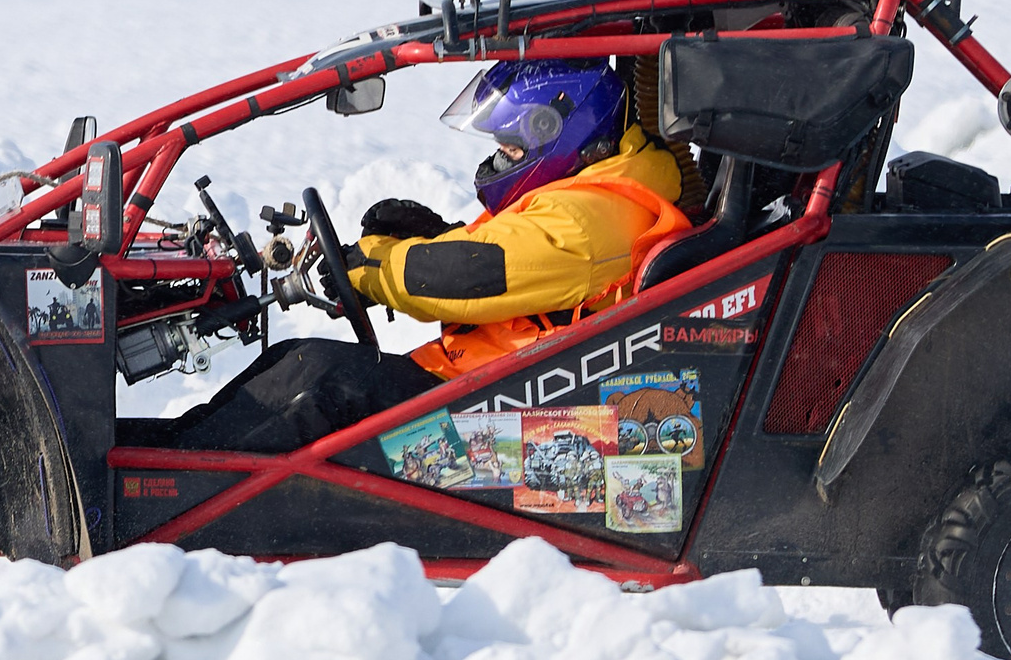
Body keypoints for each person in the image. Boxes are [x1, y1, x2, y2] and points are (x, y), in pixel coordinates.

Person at [148, 59, 689, 451]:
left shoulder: (589, 220)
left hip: (505, 409)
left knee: (328, 394)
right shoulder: (597, 191)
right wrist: (438, 234)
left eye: (511, 146)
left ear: (563, 133)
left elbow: (477, 275)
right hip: (489, 381)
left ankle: (192, 499)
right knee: (301, 361)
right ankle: (168, 456)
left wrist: (370, 267)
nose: (500, 157)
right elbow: (512, 260)